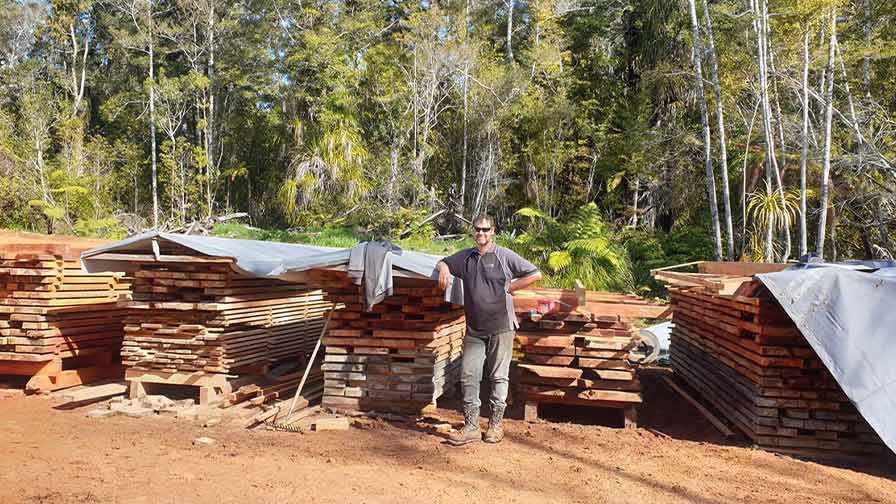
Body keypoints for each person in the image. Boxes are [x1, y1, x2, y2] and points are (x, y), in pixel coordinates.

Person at [437, 214, 542, 445]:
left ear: (493, 231)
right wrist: (444, 268)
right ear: (473, 231)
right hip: (475, 329)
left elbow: (535, 273)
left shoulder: (504, 256)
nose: (481, 234)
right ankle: (472, 426)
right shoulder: (466, 257)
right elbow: (444, 261)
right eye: (477, 230)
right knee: (468, 375)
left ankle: (495, 425)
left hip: (501, 327)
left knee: (498, 377)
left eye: (485, 230)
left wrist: (512, 286)